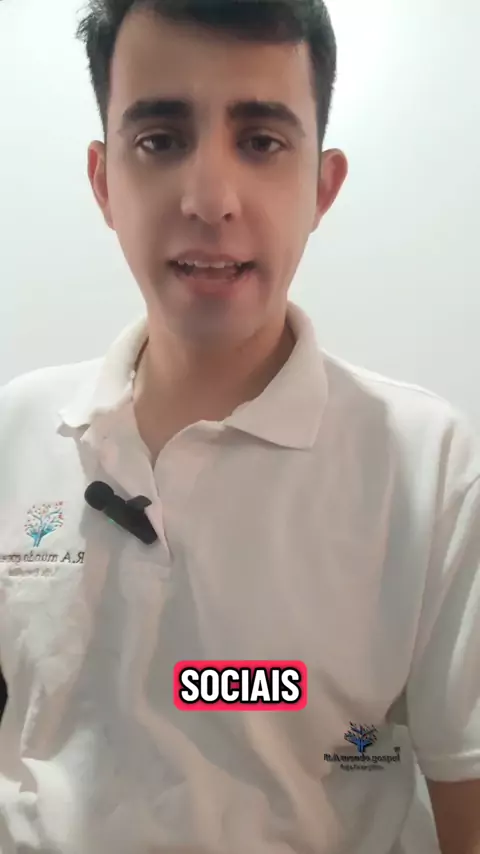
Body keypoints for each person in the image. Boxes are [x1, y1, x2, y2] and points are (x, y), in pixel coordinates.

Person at [0, 0, 479, 851]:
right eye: (160, 140)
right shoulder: (16, 432)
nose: (210, 199)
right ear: (104, 181)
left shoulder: (429, 466)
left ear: (322, 187)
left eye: (260, 141)